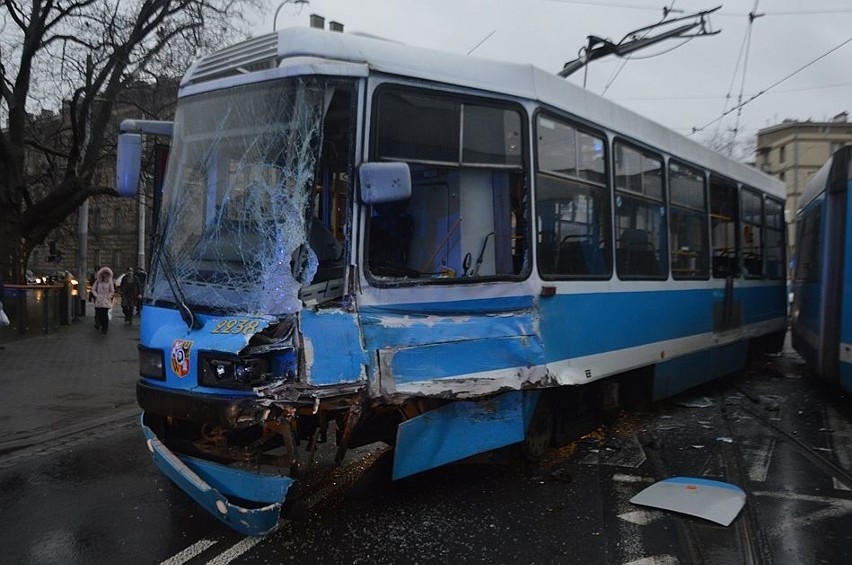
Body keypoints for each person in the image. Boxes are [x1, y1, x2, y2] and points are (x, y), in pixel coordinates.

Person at [91, 266, 115, 335]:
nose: (105, 275)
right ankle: (101, 324)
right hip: (99, 300)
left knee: (105, 314)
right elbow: (93, 289)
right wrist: (96, 295)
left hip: (106, 300)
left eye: (106, 273)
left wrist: (108, 296)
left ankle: (105, 328)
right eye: (104, 273)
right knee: (99, 314)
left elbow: (112, 291)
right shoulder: (98, 281)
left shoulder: (110, 281)